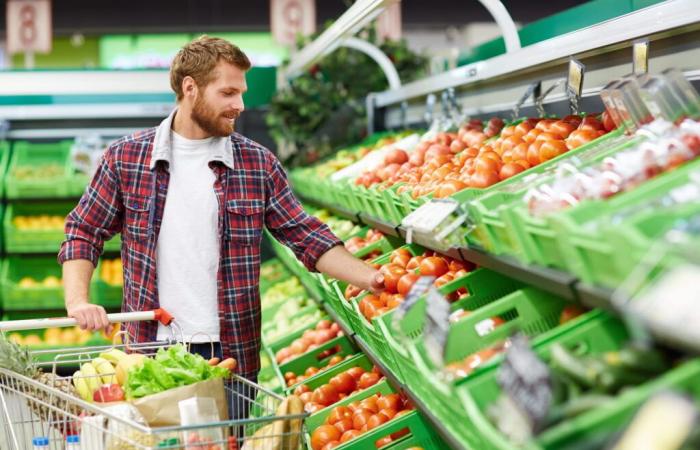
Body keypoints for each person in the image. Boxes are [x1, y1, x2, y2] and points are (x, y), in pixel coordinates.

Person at [59, 35, 384, 386]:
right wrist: (78, 301)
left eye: (241, 93)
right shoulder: (127, 158)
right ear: (190, 88)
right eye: (228, 93)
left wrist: (374, 279)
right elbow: (83, 230)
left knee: (229, 442)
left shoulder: (256, 163)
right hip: (150, 352)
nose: (240, 105)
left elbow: (305, 236)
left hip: (230, 355)